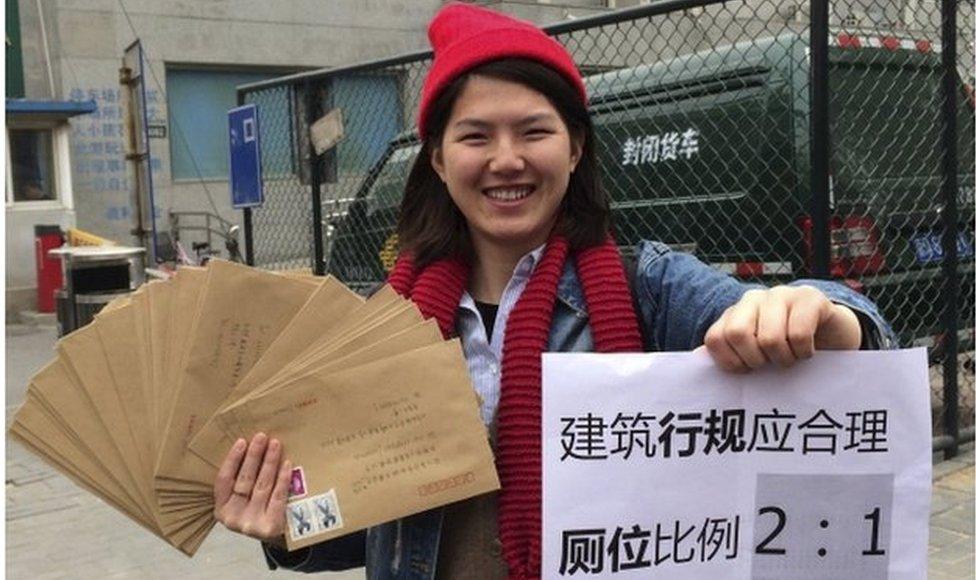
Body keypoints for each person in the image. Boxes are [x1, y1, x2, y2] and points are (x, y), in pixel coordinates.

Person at [212, 4, 896, 579]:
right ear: (439, 159)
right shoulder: (381, 327)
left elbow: (863, 342)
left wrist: (824, 317)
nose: (506, 159)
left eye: (534, 131)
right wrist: (284, 527)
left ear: (573, 148)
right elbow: (361, 527)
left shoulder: (647, 289)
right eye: (475, 136)